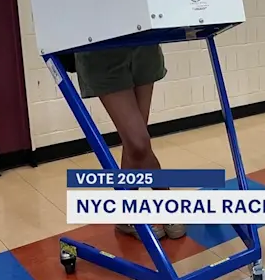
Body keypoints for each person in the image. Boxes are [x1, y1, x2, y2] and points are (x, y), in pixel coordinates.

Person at [75, 45, 186, 240]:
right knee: (138, 143)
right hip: (101, 49)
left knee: (134, 142)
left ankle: (126, 216)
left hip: (143, 44)